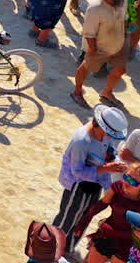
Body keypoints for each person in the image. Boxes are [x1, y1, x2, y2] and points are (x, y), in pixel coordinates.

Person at [53, 106, 129, 254]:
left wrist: (115, 162)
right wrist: (106, 168)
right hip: (77, 186)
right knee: (67, 219)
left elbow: (110, 151)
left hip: (95, 183)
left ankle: (67, 250)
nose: (111, 136)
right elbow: (78, 171)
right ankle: (52, 249)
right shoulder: (82, 141)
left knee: (84, 217)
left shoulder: (105, 135)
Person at [73, 0, 136, 107]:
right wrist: (92, 50)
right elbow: (89, 33)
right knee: (85, 68)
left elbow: (122, 18)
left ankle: (107, 92)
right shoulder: (96, 8)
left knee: (120, 69)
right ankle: (77, 92)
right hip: (99, 46)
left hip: (119, 42)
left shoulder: (122, 1)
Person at [75, 162, 140, 262]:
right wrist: (83, 222)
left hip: (126, 244)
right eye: (126, 177)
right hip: (106, 236)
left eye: (132, 181)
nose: (126, 182)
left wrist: (114, 232)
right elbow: (101, 204)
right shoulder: (117, 187)